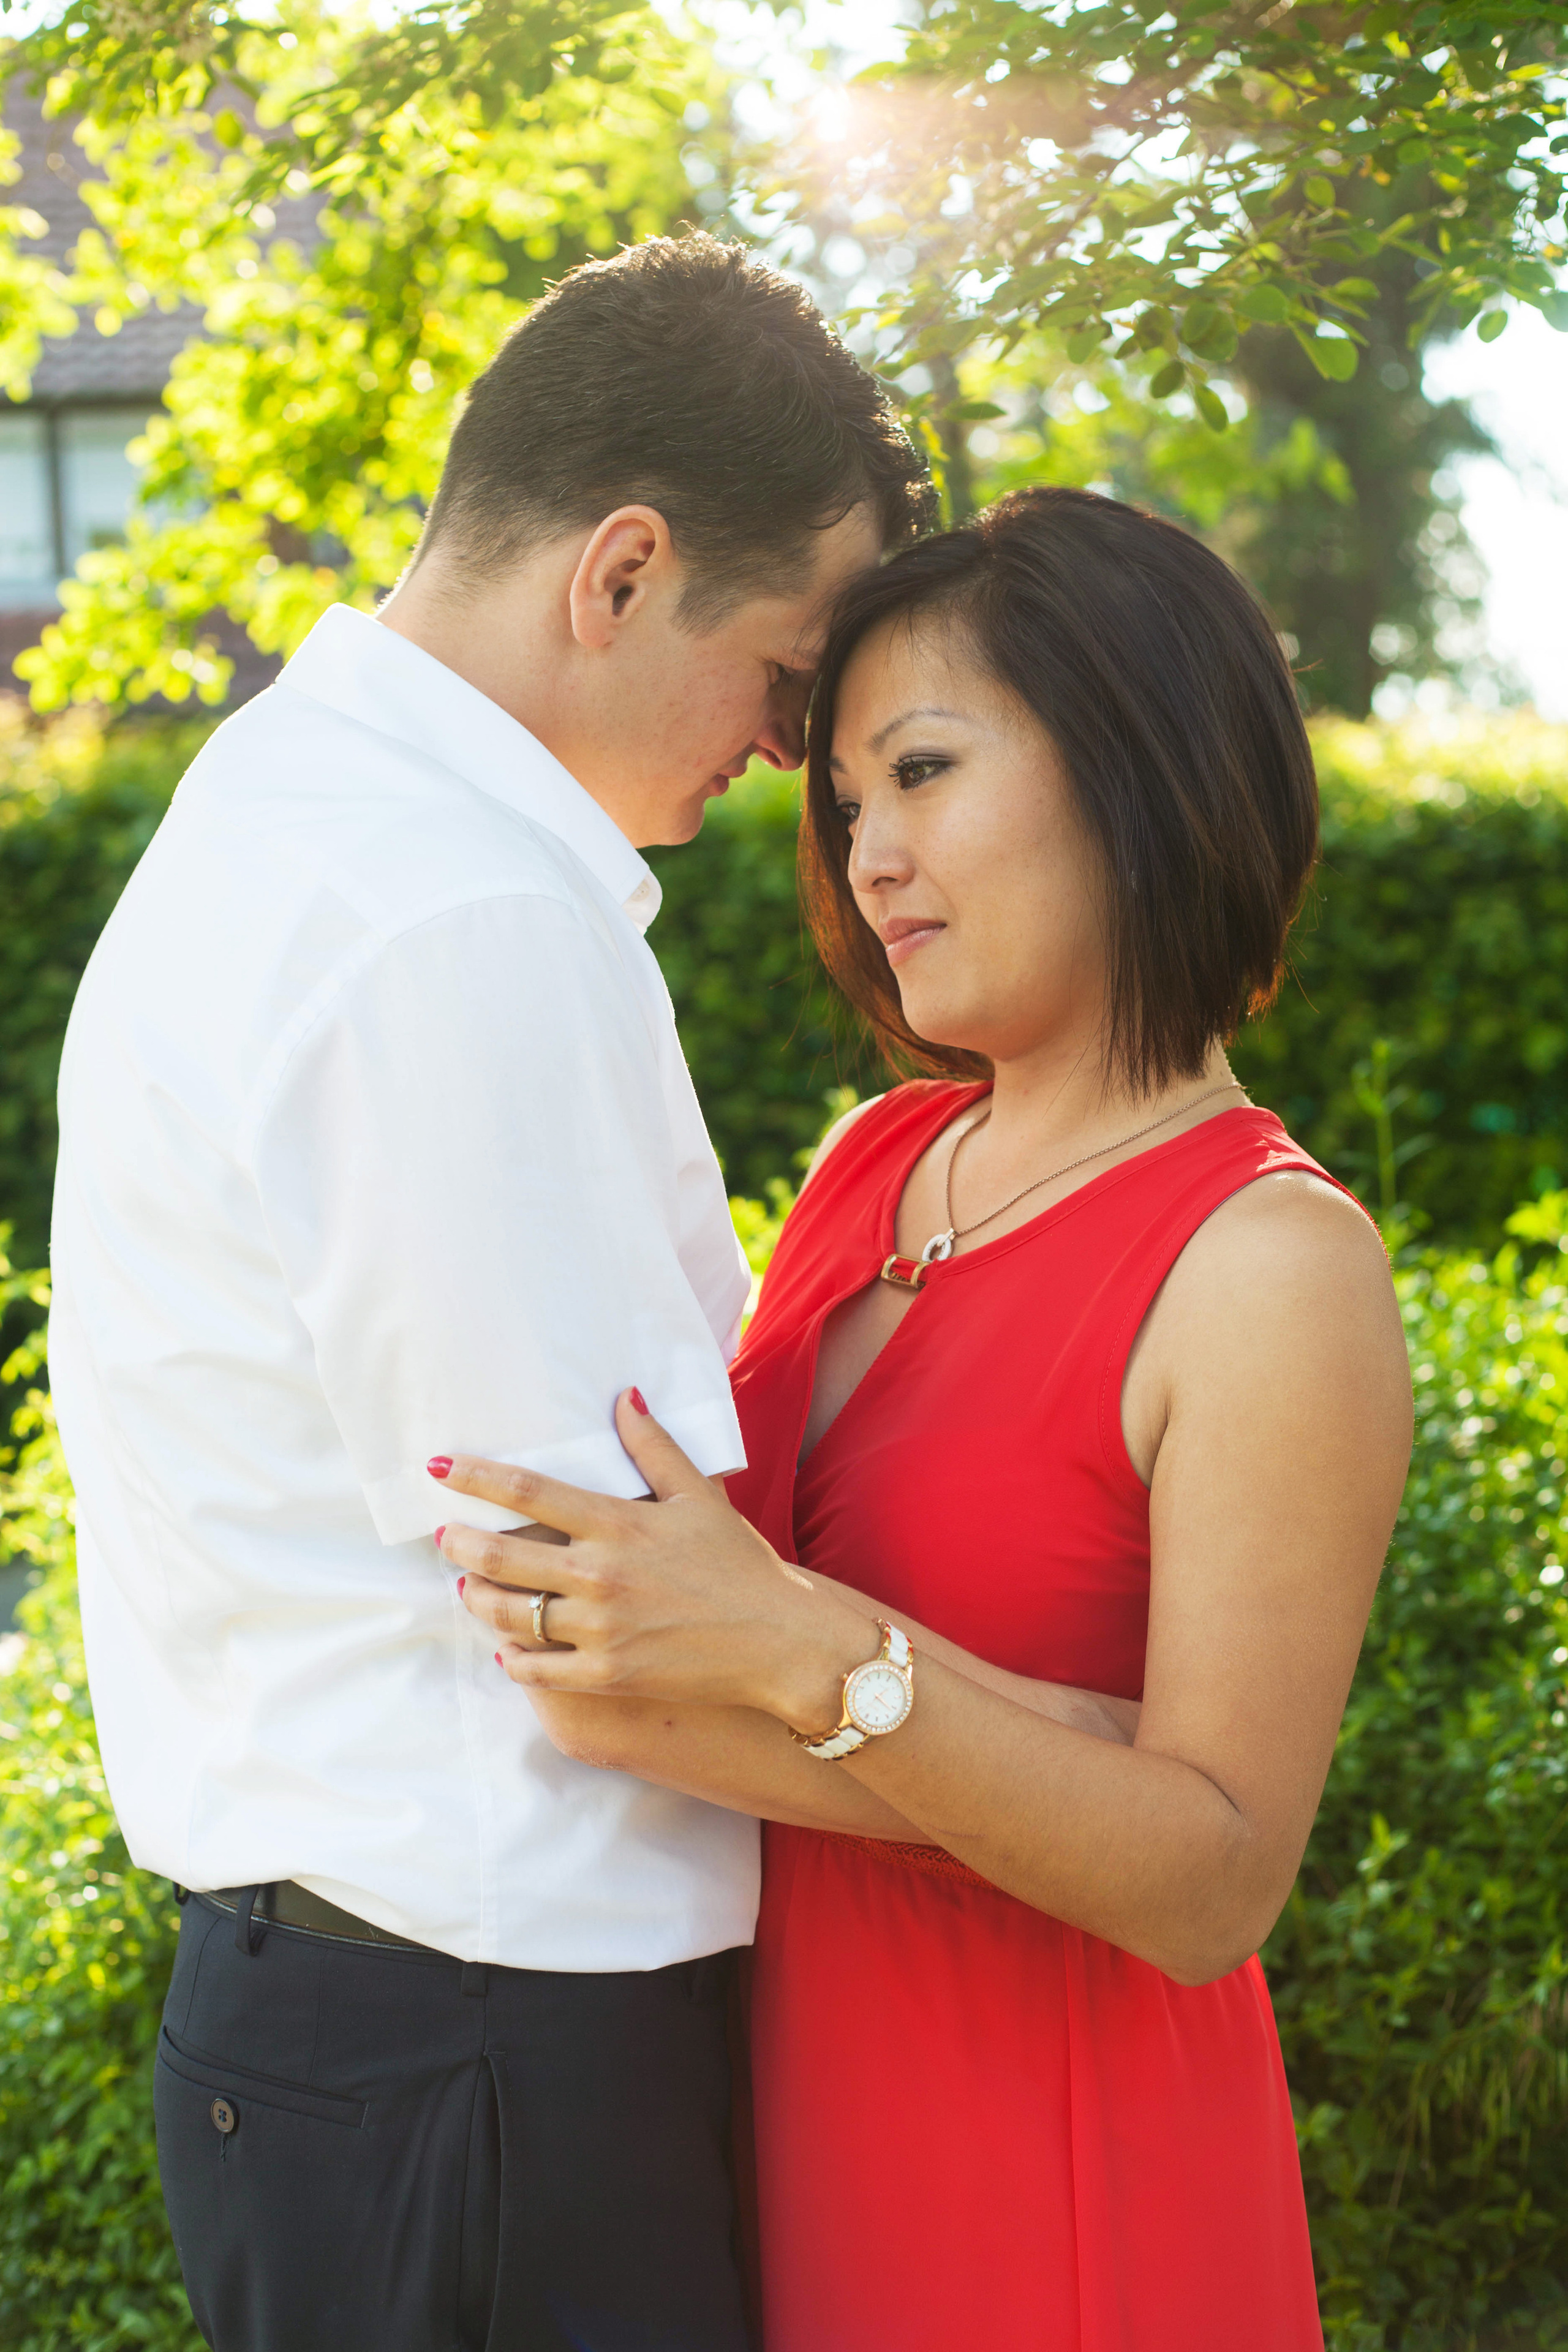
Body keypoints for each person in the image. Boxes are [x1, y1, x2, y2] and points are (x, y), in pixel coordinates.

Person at [48, 233, 930, 2352]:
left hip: (377, 2038)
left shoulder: (287, 813)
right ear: (619, 574)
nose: (795, 759)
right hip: (498, 2048)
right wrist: (1078, 1793)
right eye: (795, 683)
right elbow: (619, 1623)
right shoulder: (451, 914)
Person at [439, 485, 1415, 2351]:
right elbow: (627, 1671)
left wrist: (809, 1655)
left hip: (1060, 2170)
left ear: (1141, 758)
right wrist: (1051, 1738)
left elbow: (1209, 1881)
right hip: (776, 2121)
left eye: (927, 771)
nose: (870, 853)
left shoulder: (1270, 1265)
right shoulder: (883, 1158)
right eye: (849, 803)